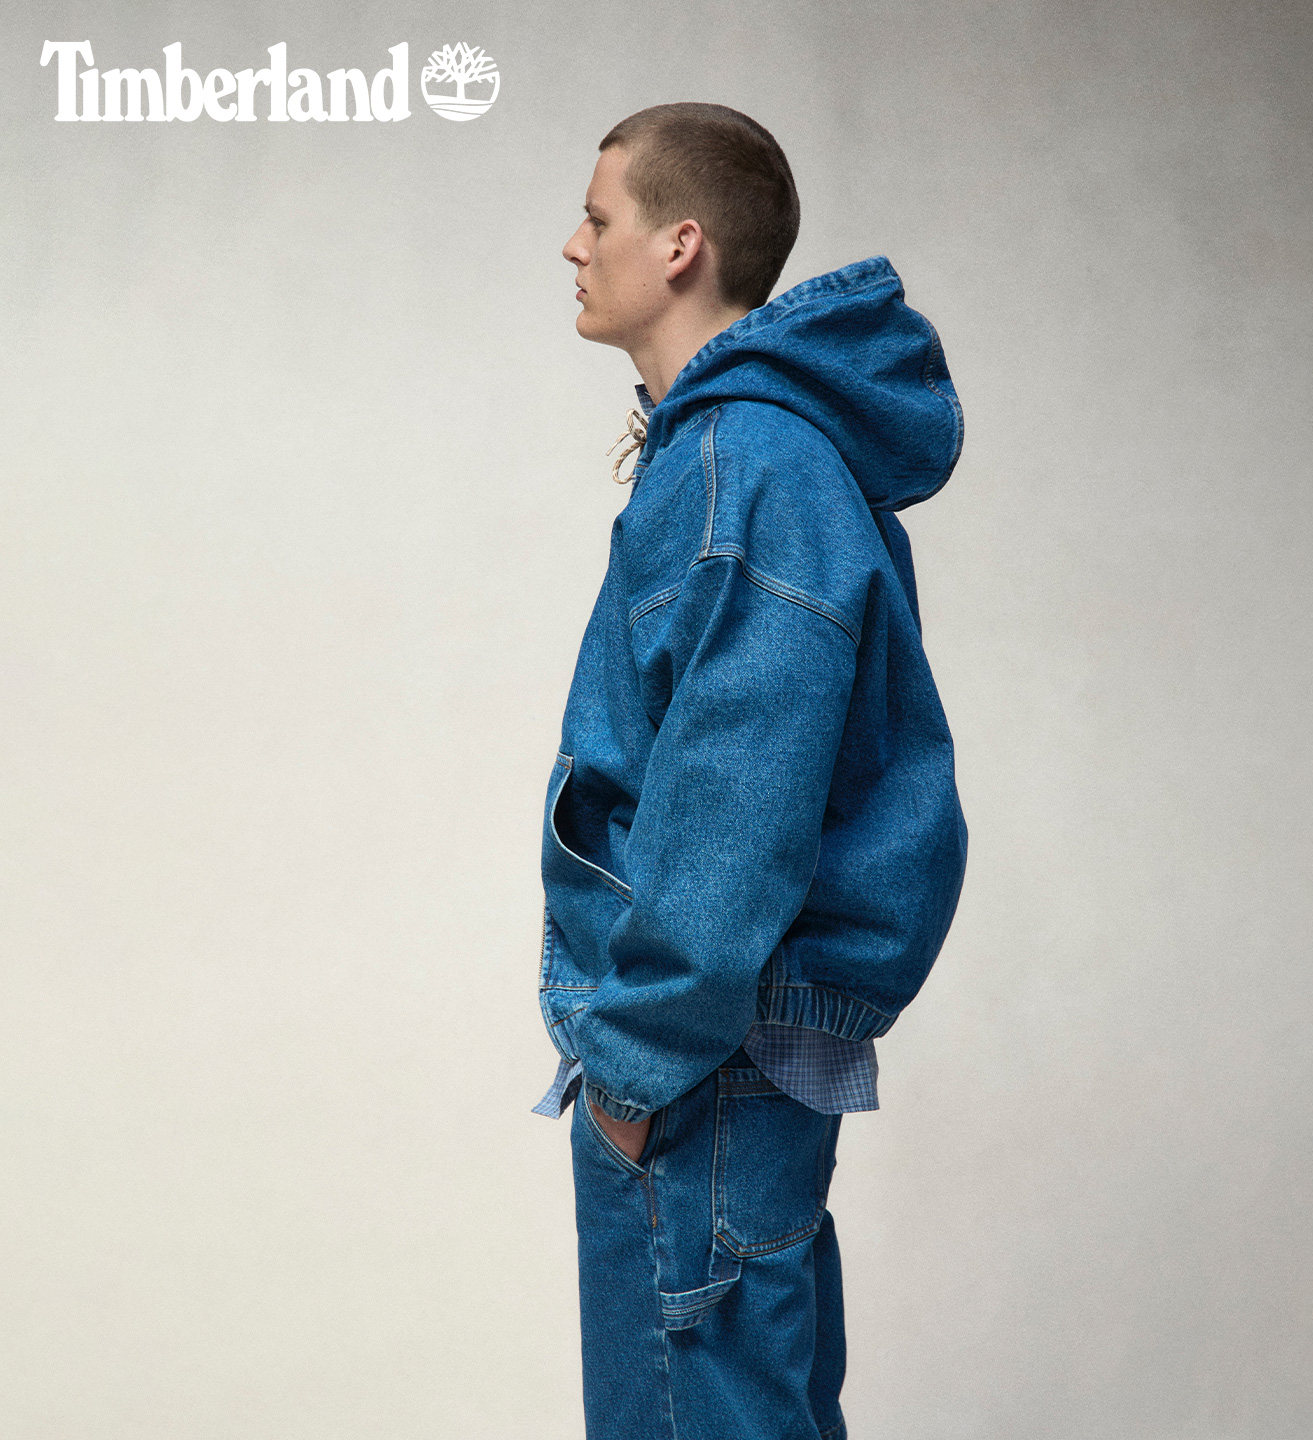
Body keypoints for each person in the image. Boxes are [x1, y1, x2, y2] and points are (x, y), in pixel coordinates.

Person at [531, 101, 967, 1440]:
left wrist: (630, 1074)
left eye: (597, 217)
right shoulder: (746, 456)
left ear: (680, 245)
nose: (572, 246)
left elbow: (739, 805)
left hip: (698, 1072)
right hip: (723, 1064)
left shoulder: (744, 468)